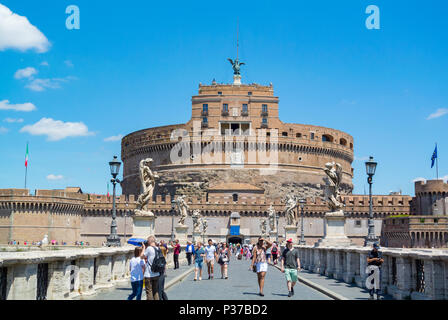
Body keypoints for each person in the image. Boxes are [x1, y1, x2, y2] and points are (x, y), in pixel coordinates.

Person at [142, 236, 161, 300]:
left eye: (147, 241)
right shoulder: (158, 248)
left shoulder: (149, 248)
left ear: (149, 241)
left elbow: (142, 256)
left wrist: (144, 247)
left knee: (149, 291)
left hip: (149, 274)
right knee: (155, 291)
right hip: (157, 273)